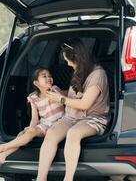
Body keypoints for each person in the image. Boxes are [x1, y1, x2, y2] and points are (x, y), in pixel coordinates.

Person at [36, 38, 110, 181]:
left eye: (68, 60)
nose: (67, 64)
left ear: (76, 58)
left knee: (73, 133)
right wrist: (58, 93)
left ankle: (68, 178)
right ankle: (41, 178)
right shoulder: (79, 70)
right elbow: (73, 95)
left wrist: (60, 99)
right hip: (72, 116)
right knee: (51, 133)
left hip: (93, 118)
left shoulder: (98, 74)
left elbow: (84, 104)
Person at [0, 68, 64, 163]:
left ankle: (3, 147)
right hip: (45, 124)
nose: (48, 78)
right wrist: (32, 129)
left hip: (59, 124)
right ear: (36, 83)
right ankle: (3, 155)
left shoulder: (55, 90)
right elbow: (35, 118)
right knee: (23, 133)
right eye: (44, 76)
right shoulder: (33, 98)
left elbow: (62, 96)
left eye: (49, 76)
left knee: (27, 133)